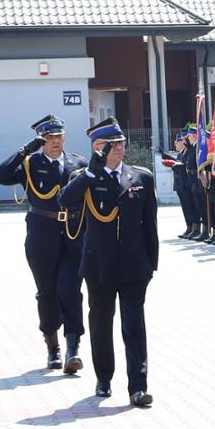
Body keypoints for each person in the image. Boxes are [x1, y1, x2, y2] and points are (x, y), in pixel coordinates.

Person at [62, 117, 159, 407]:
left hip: (134, 266)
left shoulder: (140, 177)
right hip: (99, 266)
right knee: (101, 324)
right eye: (111, 145)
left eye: (121, 144)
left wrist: (151, 265)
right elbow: (65, 201)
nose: (119, 149)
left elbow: (149, 225)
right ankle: (104, 379)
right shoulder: (86, 177)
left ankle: (138, 388)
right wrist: (90, 173)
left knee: (134, 326)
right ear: (97, 148)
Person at [0, 115, 89, 373]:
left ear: (64, 138)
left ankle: (72, 349)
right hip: (41, 235)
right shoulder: (30, 164)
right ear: (42, 140)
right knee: (47, 294)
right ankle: (52, 346)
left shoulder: (77, 163)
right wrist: (25, 150)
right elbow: (0, 176)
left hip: (72, 233)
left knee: (70, 291)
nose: (55, 142)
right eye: (49, 138)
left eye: (59, 137)